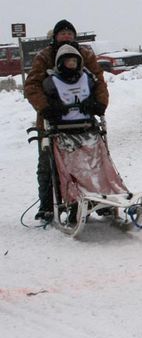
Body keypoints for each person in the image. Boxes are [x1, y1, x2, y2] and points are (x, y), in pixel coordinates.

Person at [24, 19, 109, 221]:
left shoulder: (86, 55)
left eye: (69, 33)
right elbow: (32, 86)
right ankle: (47, 205)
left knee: (93, 161)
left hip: (83, 119)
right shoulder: (45, 57)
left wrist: (99, 104)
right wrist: (46, 108)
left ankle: (99, 199)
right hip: (52, 120)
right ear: (55, 37)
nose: (66, 36)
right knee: (48, 163)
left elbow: (98, 81)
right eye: (62, 33)